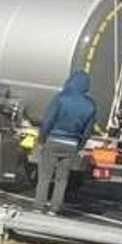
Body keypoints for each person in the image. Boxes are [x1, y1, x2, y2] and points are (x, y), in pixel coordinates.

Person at [35, 71, 97, 214]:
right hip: (72, 144)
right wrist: (79, 146)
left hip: (53, 139)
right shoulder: (90, 106)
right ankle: (54, 209)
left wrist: (42, 139)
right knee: (62, 179)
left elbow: (47, 121)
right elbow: (87, 131)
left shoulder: (61, 98)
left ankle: (38, 206)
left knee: (45, 176)